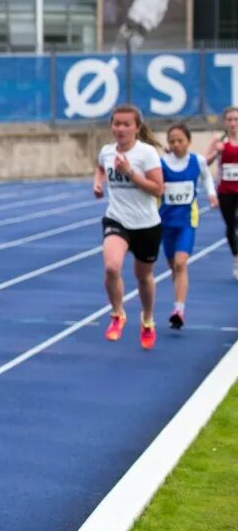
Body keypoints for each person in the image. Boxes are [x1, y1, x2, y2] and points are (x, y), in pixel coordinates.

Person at [94, 104, 166, 350]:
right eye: (117, 124)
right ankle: (117, 314)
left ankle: (147, 319)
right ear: (111, 126)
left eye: (126, 124)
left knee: (143, 276)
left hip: (147, 224)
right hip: (117, 218)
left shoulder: (146, 154)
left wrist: (130, 173)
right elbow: (101, 166)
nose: (121, 129)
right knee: (112, 267)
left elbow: (158, 189)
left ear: (137, 127)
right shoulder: (106, 151)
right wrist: (98, 183)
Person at [160, 123, 216, 329]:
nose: (176, 145)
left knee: (181, 263)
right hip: (165, 222)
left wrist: (211, 194)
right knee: (173, 266)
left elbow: (207, 177)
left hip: (187, 221)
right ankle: (178, 301)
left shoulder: (197, 161)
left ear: (188, 141)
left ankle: (179, 309)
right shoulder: (162, 163)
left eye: (180, 141)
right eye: (172, 141)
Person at [206, 106, 238, 280]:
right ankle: (236, 259)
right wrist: (216, 152)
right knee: (231, 225)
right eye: (230, 120)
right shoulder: (219, 139)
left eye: (236, 119)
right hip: (225, 190)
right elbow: (205, 162)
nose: (233, 123)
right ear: (225, 122)